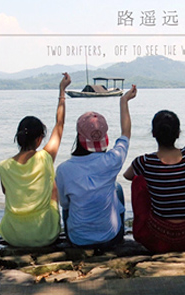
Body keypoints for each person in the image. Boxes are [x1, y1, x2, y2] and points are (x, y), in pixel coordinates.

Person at [123, 83, 185, 253]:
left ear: (153, 134)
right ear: (178, 134)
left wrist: (124, 102)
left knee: (139, 180)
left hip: (158, 239)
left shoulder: (144, 162)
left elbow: (127, 176)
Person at [56, 85, 138, 249]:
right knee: (117, 188)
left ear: (79, 137)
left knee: (68, 203)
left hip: (78, 240)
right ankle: (118, 234)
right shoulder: (112, 160)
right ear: (104, 136)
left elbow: (65, 204)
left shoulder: (64, 169)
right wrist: (124, 101)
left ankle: (76, 232)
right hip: (111, 237)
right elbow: (126, 133)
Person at [0, 73, 71, 247]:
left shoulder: (3, 166)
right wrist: (62, 91)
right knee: (52, 183)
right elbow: (59, 124)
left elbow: (7, 193)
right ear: (39, 139)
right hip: (44, 233)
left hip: (12, 235)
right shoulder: (45, 158)